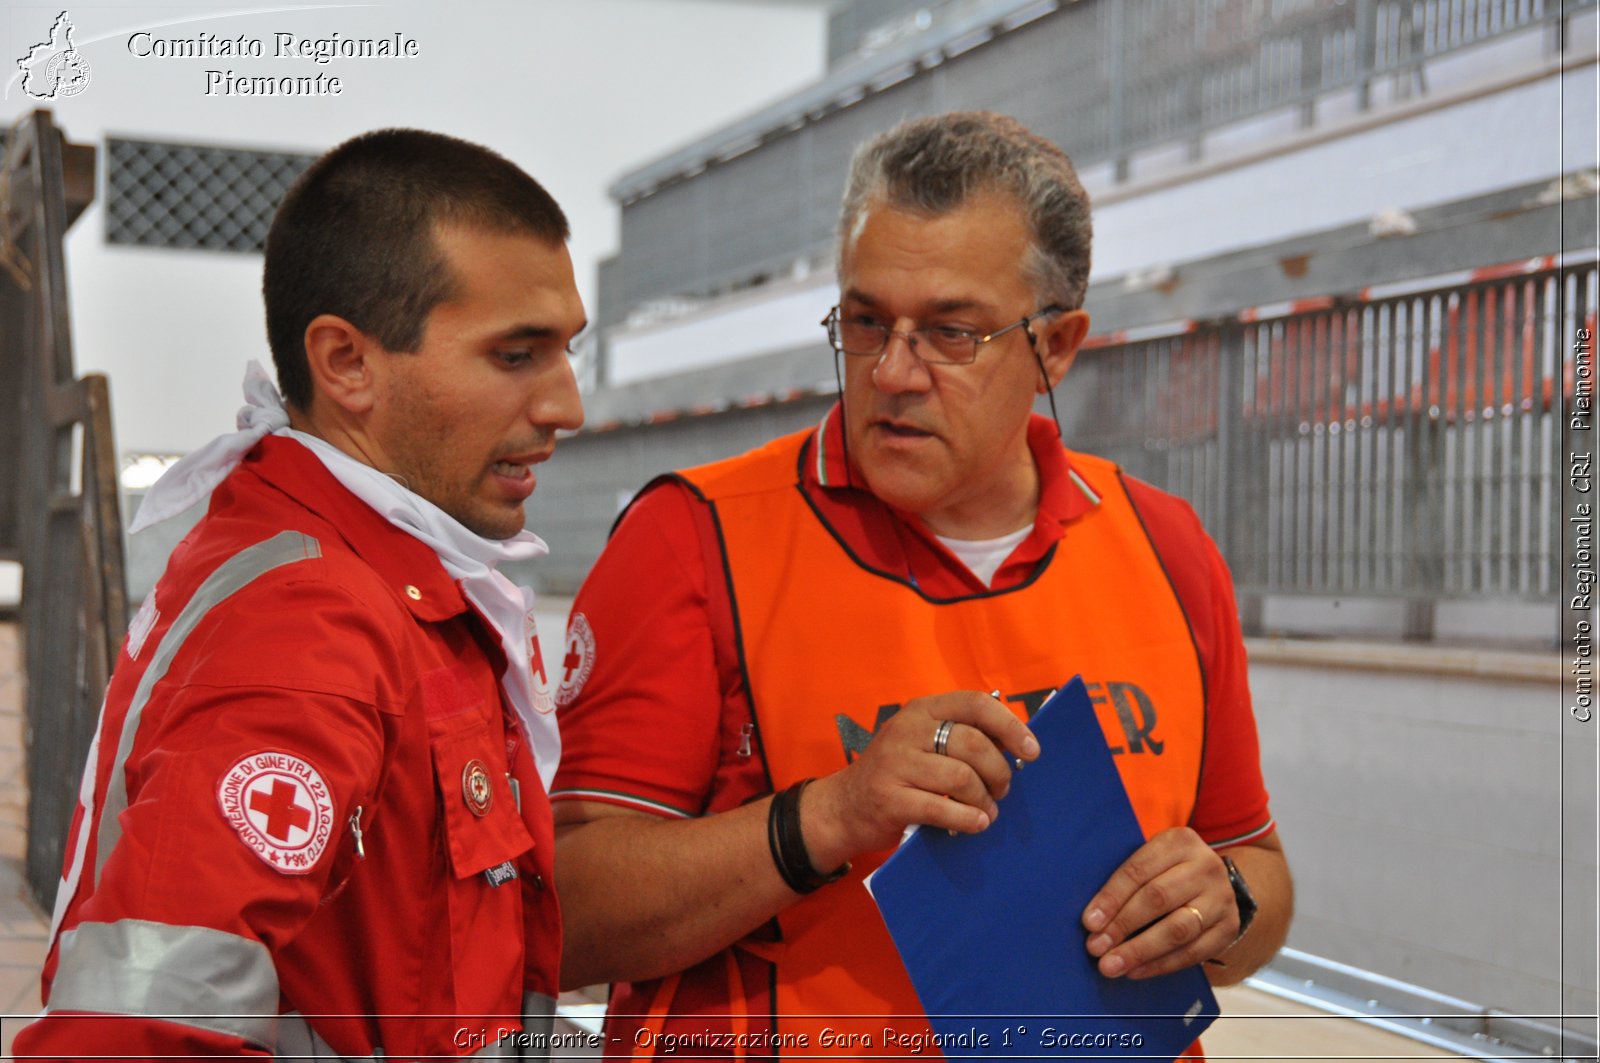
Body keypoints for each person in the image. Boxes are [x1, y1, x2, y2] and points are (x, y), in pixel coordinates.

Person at [551, 111, 1292, 1058]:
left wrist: (1218, 904)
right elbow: (565, 915)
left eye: (951, 333)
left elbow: (1259, 871)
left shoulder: (1164, 543)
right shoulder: (696, 538)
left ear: (1057, 346)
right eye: (866, 322)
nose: (894, 372)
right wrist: (830, 814)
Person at [15, 128, 586, 1059]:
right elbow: (129, 1037)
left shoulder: (388, 582)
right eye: (517, 356)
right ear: (346, 363)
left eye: (566, 349)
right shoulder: (309, 626)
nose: (568, 405)